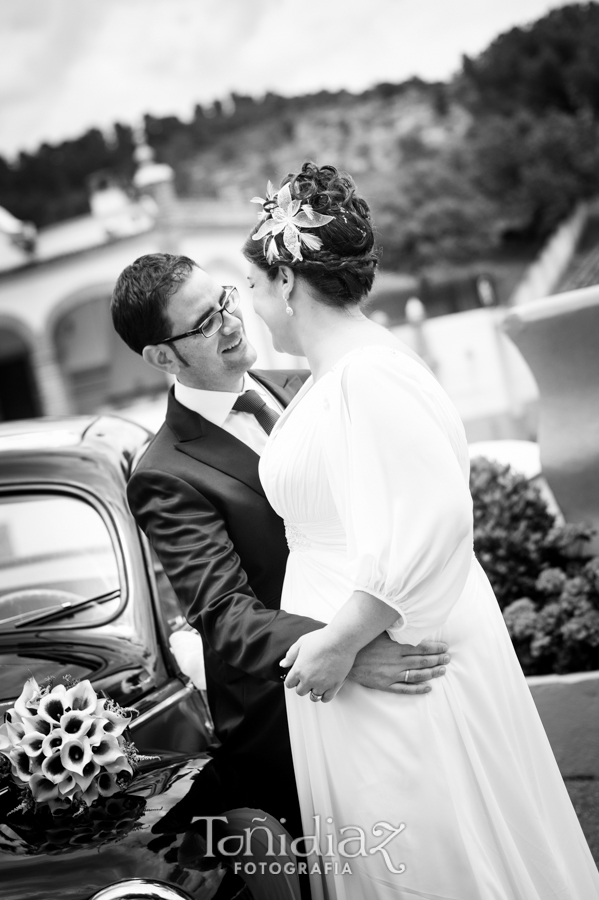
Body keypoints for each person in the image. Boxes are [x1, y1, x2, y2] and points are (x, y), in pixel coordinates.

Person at [242, 162, 599, 900]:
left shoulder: (367, 375)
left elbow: (427, 520)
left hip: (389, 656)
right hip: (354, 656)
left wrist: (341, 640)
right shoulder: (330, 376)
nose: (250, 307)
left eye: (248, 287)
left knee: (427, 851)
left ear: (284, 280)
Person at [110, 253, 451, 848]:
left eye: (224, 300)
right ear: (162, 357)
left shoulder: (303, 382)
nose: (231, 321)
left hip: (389, 643)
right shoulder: (163, 473)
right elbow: (225, 615)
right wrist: (344, 649)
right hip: (294, 704)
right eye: (204, 323)